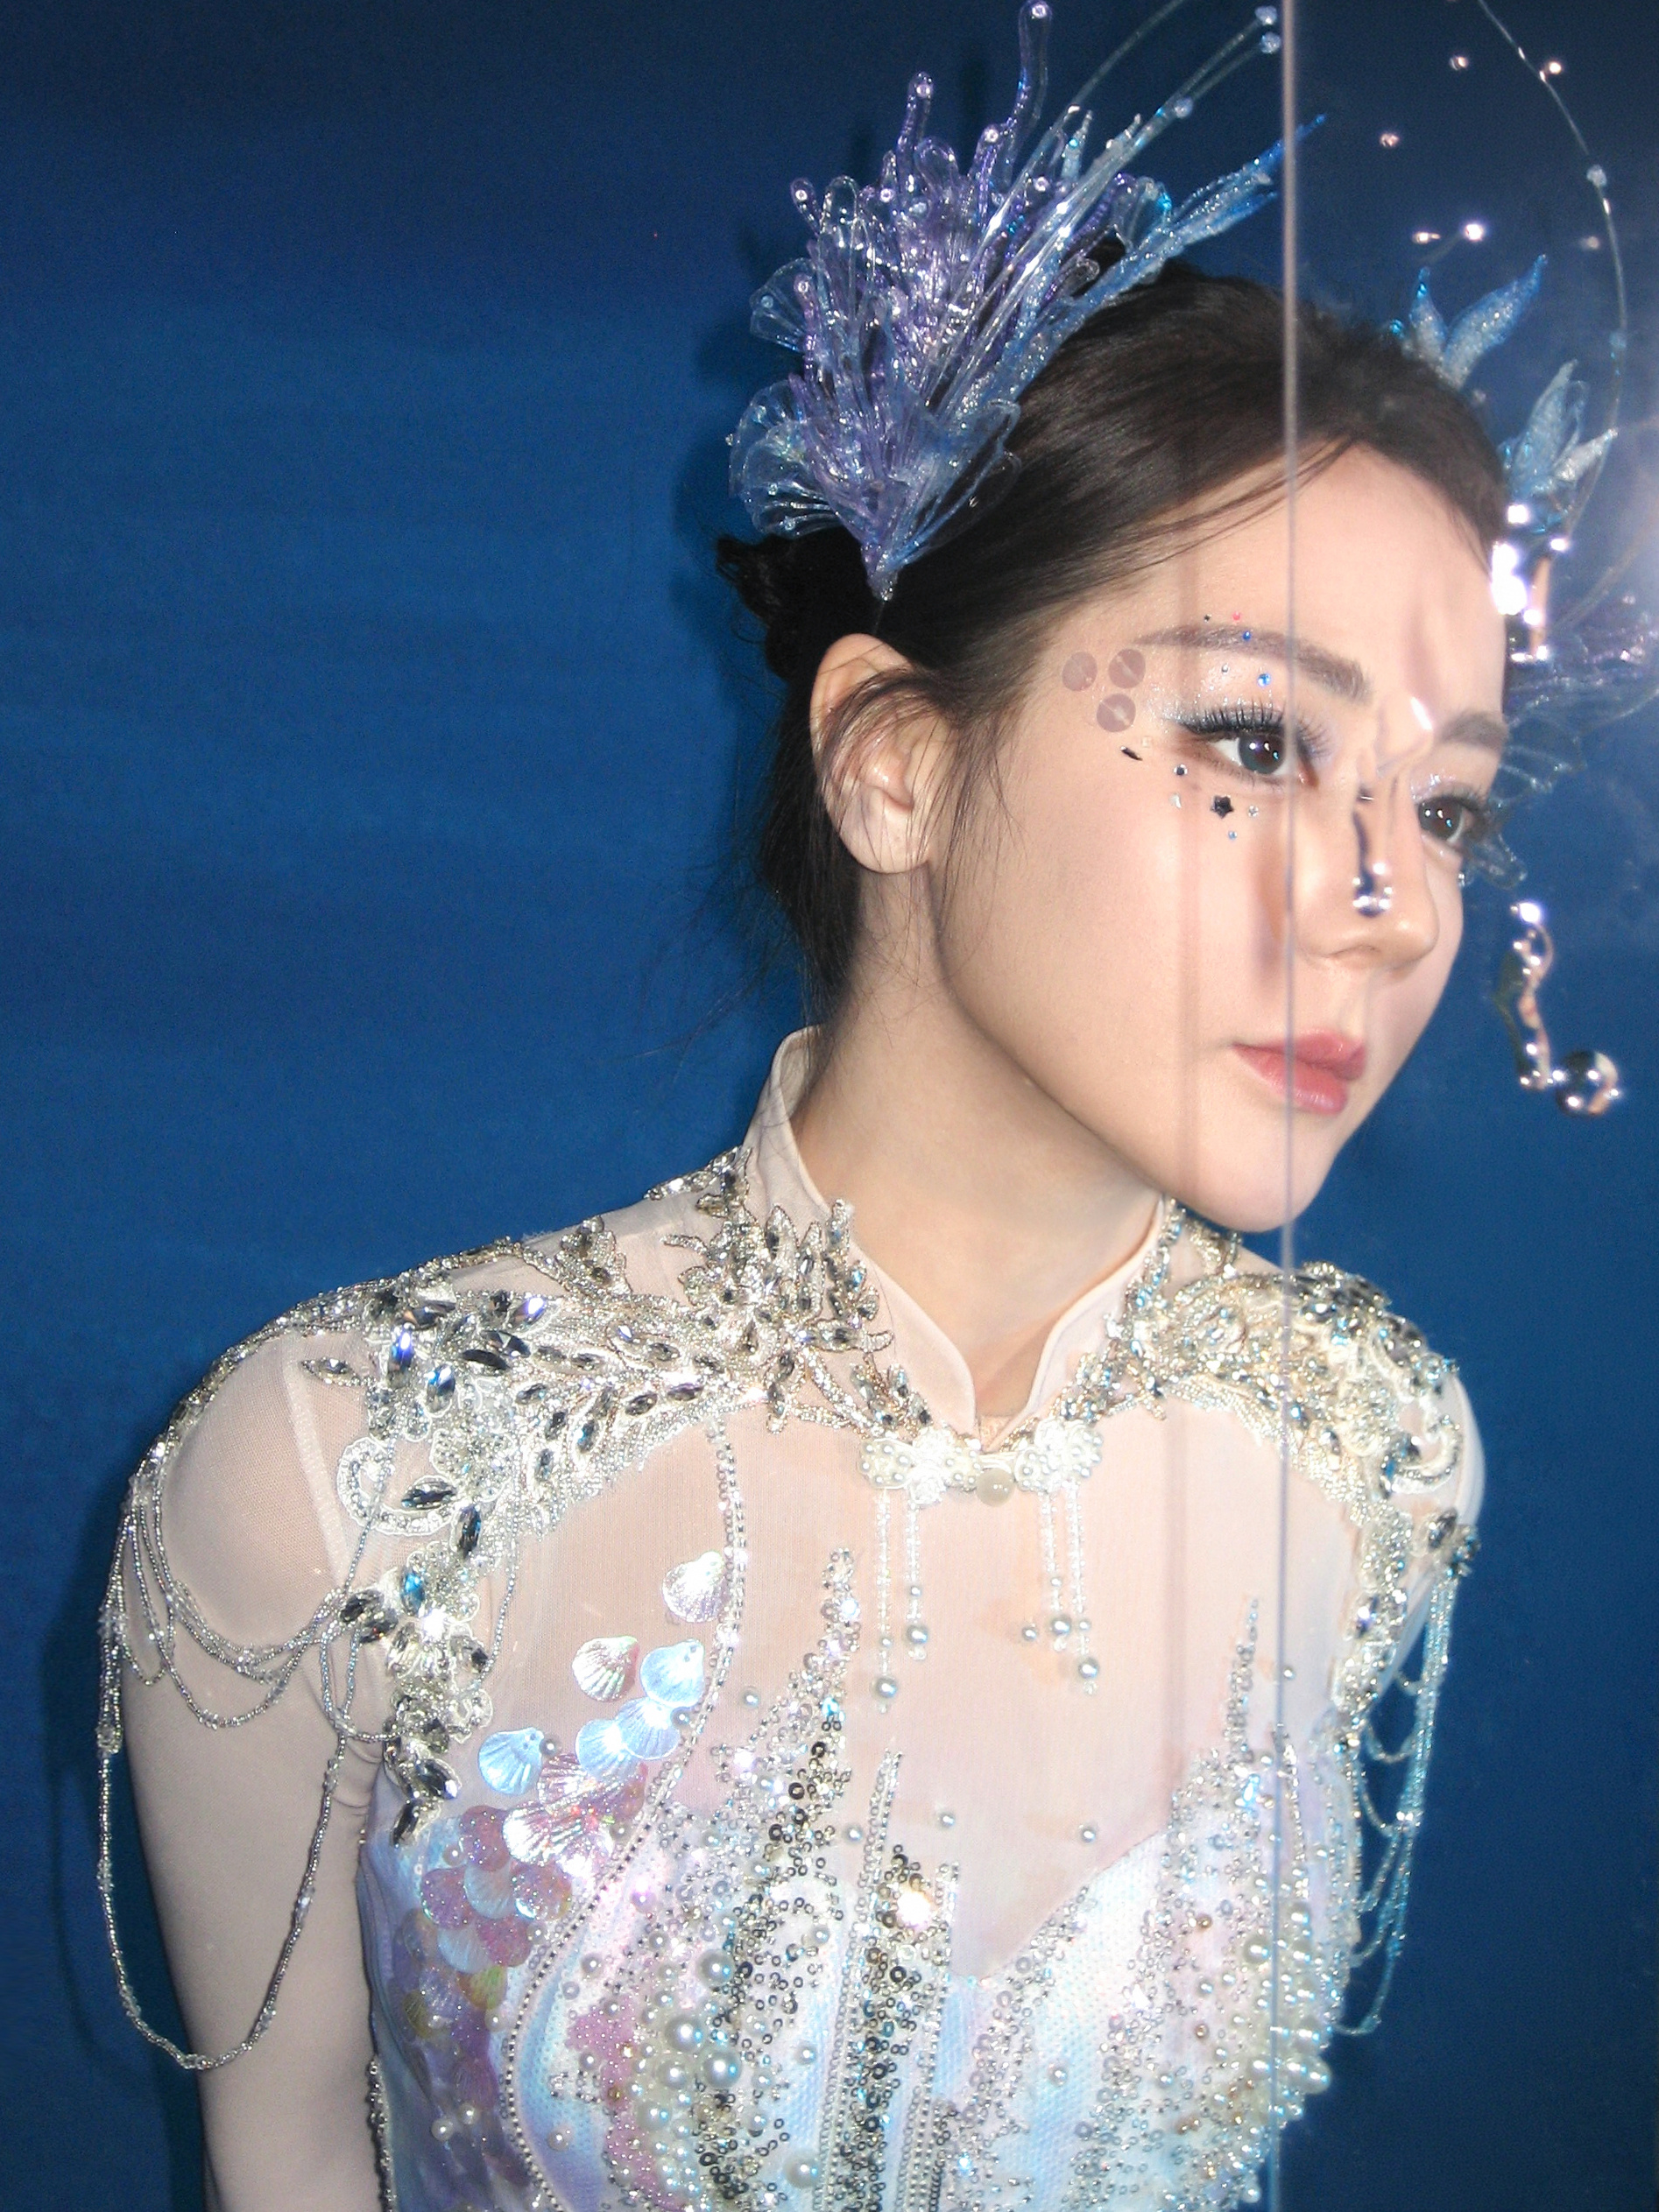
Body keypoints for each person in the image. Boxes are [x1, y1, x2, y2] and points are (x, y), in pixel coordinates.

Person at [102, 17, 1503, 2209]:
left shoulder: (1369, 1449)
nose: (1386, 897)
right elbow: (281, 2156)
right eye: (1253, 741)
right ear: (894, 763)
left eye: (1446, 806)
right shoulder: (346, 1474)